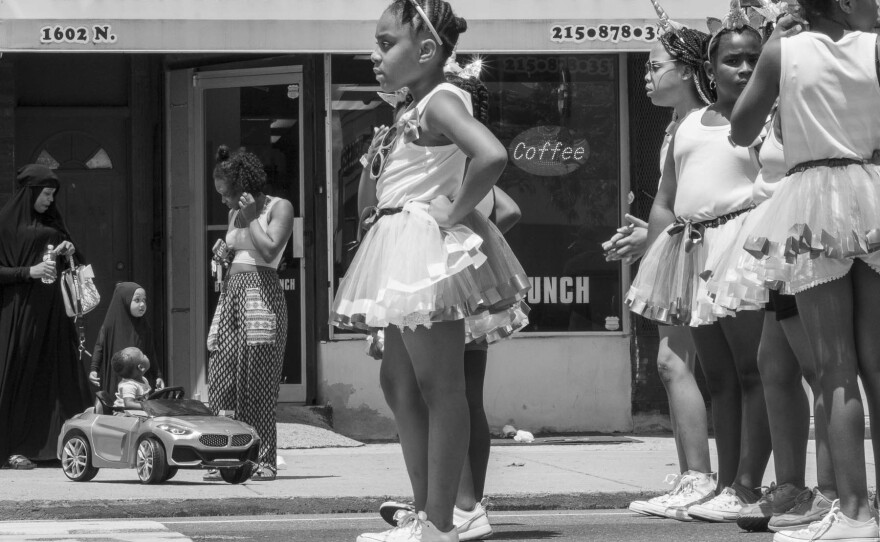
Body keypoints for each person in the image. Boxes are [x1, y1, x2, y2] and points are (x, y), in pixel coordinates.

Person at [332, 1, 530, 540]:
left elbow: (490, 155)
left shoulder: (441, 100)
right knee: (399, 382)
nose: (374, 55)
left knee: (441, 387)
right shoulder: (414, 107)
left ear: (425, 50)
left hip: (423, 248)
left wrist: (455, 211)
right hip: (400, 242)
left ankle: (442, 521)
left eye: (385, 43)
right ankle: (426, 512)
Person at [730, 0, 880, 539]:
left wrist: (775, 58)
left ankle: (856, 512)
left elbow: (741, 130)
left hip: (812, 200)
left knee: (836, 366)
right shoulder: (876, 45)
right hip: (872, 190)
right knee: (877, 365)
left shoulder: (783, 49)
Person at [626, 13, 771, 522]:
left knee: (755, 372)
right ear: (709, 69)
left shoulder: (763, 122)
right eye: (733, 60)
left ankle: (749, 485)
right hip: (692, 253)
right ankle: (725, 483)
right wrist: (656, 264)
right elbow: (667, 198)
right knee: (720, 377)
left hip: (742, 252)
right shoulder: (688, 124)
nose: (746, 68)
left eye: (755, 59)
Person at [605, 4, 714, 520]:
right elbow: (670, 201)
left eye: (654, 67)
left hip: (704, 253)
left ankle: (701, 477)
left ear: (688, 71)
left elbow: (696, 200)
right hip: (681, 248)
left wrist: (655, 235)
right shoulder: (677, 125)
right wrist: (646, 236)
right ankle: (695, 476)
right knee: (679, 364)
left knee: (678, 364)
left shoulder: (706, 123)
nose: (646, 75)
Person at [205, 146, 294, 482]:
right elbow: (241, 249)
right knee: (223, 378)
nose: (224, 202)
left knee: (258, 379)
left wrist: (254, 214)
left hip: (262, 294)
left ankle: (263, 459)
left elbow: (271, 248)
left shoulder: (278, 207)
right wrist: (224, 252)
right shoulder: (235, 214)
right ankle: (223, 457)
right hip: (232, 295)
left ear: (243, 187)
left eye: (226, 195)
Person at [0, 164, 91, 470]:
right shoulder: (4, 225)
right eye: (47, 194)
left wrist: (68, 250)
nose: (51, 201)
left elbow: (75, 264)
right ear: (31, 192)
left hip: (53, 314)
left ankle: (60, 446)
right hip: (19, 314)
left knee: (57, 376)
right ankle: (14, 447)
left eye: (53, 195)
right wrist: (29, 272)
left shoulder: (53, 223)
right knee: (20, 376)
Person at [89, 282, 165, 396]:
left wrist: (157, 375)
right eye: (137, 300)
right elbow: (100, 347)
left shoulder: (144, 327)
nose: (142, 304)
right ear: (125, 301)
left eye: (144, 300)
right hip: (117, 378)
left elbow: (151, 353)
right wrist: (94, 369)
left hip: (140, 379)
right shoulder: (110, 326)